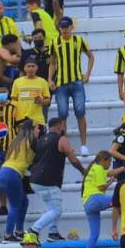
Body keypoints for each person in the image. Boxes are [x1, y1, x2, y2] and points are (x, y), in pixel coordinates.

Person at [29, 116, 84, 243]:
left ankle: (53, 233)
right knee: (56, 210)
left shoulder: (41, 139)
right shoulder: (62, 139)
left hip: (35, 179)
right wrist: (83, 170)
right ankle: (34, 230)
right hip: (48, 180)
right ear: (60, 126)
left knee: (51, 207)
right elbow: (73, 159)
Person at [47, 16, 93, 154]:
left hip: (77, 81)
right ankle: (65, 145)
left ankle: (83, 145)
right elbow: (53, 63)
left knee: (80, 112)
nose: (65, 29)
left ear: (72, 27)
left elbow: (91, 56)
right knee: (63, 114)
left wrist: (87, 74)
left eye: (67, 27)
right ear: (59, 28)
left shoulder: (79, 41)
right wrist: (50, 79)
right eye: (62, 27)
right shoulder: (54, 42)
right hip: (61, 83)